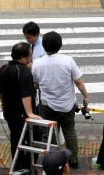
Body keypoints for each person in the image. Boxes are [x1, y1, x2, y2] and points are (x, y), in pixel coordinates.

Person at [32, 31, 89, 169]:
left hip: (47, 105)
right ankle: (73, 159)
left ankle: (53, 160)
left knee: (51, 133)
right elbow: (78, 82)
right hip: (67, 104)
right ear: (60, 45)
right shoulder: (68, 60)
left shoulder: (37, 63)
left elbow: (35, 83)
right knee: (69, 131)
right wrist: (85, 96)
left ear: (44, 46)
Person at [0, 42, 38, 172]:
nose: (31, 57)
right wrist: (30, 113)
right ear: (23, 57)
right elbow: (26, 93)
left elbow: (0, 90)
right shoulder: (24, 71)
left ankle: (16, 165)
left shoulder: (3, 69)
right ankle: (27, 167)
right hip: (22, 113)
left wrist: (3, 105)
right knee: (30, 139)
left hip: (9, 111)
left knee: (15, 139)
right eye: (30, 55)